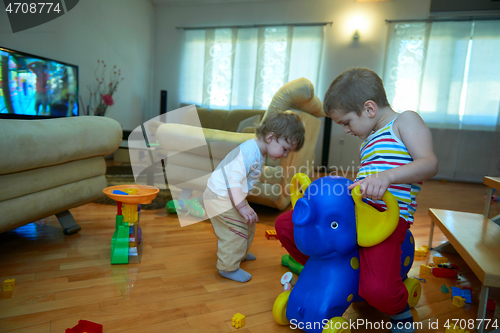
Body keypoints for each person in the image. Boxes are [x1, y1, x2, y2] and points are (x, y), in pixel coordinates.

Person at [275, 68, 438, 333]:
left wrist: (387, 178)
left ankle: (400, 309)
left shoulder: (405, 121)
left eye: (347, 122)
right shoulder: (368, 138)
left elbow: (429, 163)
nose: (346, 130)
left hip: (386, 220)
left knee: (378, 292)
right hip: (355, 213)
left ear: (370, 108)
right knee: (286, 225)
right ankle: (329, 271)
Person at [203, 110, 305, 283]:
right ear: (271, 137)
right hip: (219, 197)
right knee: (236, 230)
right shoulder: (249, 152)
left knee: (248, 225)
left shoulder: (258, 151)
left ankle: (239, 254)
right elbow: (232, 181)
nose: (285, 155)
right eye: (285, 149)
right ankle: (227, 267)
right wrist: (242, 206)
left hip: (225, 196)